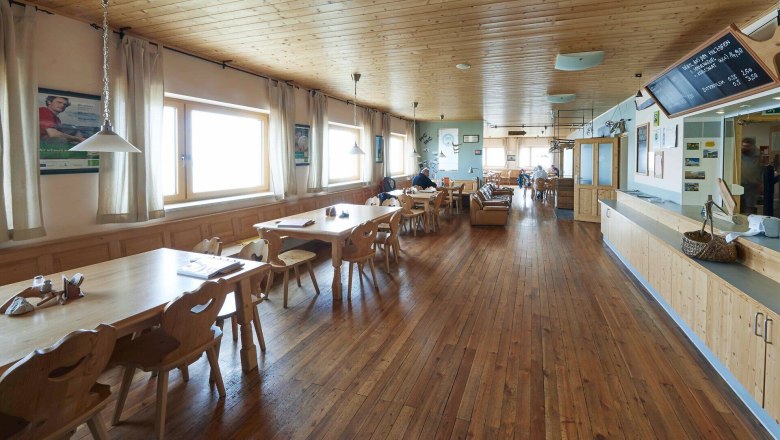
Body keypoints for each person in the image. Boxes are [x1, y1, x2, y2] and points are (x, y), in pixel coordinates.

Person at [741, 137, 762, 214]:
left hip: (752, 186)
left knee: (749, 208)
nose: (744, 148)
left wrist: (761, 184)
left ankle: (749, 220)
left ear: (752, 146)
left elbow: (761, 170)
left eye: (746, 146)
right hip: (740, 184)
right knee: (738, 206)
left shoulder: (758, 156)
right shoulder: (739, 154)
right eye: (743, 146)